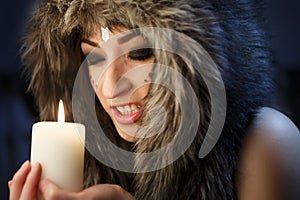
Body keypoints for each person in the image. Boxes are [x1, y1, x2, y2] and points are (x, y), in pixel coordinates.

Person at [9, 0, 300, 199]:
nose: (110, 88)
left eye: (139, 54)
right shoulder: (80, 156)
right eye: (93, 58)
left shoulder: (268, 141)